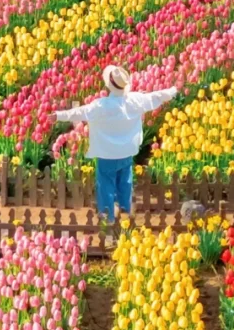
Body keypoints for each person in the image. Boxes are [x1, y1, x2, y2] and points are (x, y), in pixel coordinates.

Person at [55, 66, 176, 224]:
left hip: (107, 155)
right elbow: (155, 97)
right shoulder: (134, 100)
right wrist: (173, 91)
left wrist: (57, 116)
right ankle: (126, 217)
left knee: (106, 186)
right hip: (126, 153)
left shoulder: (101, 105)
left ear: (109, 85)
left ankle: (109, 220)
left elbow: (80, 112)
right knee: (125, 183)